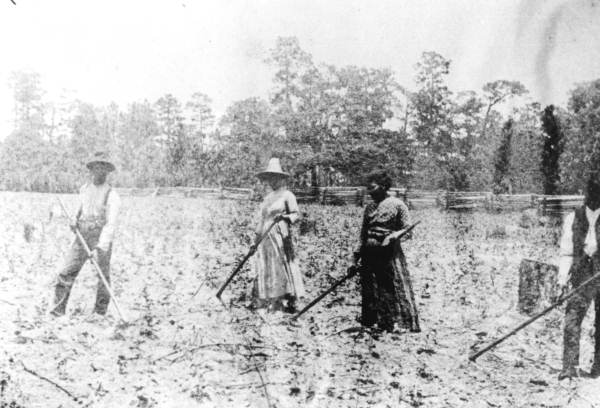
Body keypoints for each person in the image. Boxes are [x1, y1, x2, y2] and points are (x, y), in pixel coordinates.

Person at [50, 152, 121, 317]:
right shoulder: (84, 189)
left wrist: (100, 247)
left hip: (100, 237)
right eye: (96, 166)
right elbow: (78, 209)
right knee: (65, 272)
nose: (99, 170)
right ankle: (57, 312)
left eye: (103, 167)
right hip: (81, 236)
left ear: (107, 171)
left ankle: (99, 313)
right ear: (92, 169)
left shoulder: (112, 196)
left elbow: (110, 225)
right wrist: (74, 221)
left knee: (102, 277)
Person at [353, 170, 420, 333]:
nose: (370, 191)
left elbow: (408, 230)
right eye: (368, 188)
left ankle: (390, 322)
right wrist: (355, 256)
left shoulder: (398, 205)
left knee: (388, 286)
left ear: (383, 186)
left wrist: (394, 236)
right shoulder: (369, 207)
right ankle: (370, 321)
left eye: (373, 187)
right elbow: (363, 233)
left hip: (388, 252)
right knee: (369, 287)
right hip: (369, 251)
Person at [557, 175, 600, 379]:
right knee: (572, 320)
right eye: (591, 193)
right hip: (581, 277)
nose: (594, 198)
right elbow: (566, 252)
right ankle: (569, 366)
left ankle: (598, 368)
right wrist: (562, 279)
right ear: (586, 194)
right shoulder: (573, 218)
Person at [250, 158, 305, 313]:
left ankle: (285, 298)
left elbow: (296, 215)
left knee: (281, 264)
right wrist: (255, 241)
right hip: (266, 237)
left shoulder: (288, 195)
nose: (272, 181)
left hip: (280, 235)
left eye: (275, 178)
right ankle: (271, 298)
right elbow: (261, 220)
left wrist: (284, 217)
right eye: (270, 178)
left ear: (281, 179)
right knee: (268, 265)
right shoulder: (267, 198)